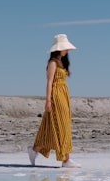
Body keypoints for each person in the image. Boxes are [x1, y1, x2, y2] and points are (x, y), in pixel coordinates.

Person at [29, 34, 80, 168]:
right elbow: (49, 82)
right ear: (59, 49)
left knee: (57, 126)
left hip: (64, 95)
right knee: (62, 125)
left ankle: (36, 149)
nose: (67, 51)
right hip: (56, 95)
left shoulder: (62, 62)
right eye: (65, 48)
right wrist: (48, 100)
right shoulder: (53, 63)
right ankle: (66, 159)